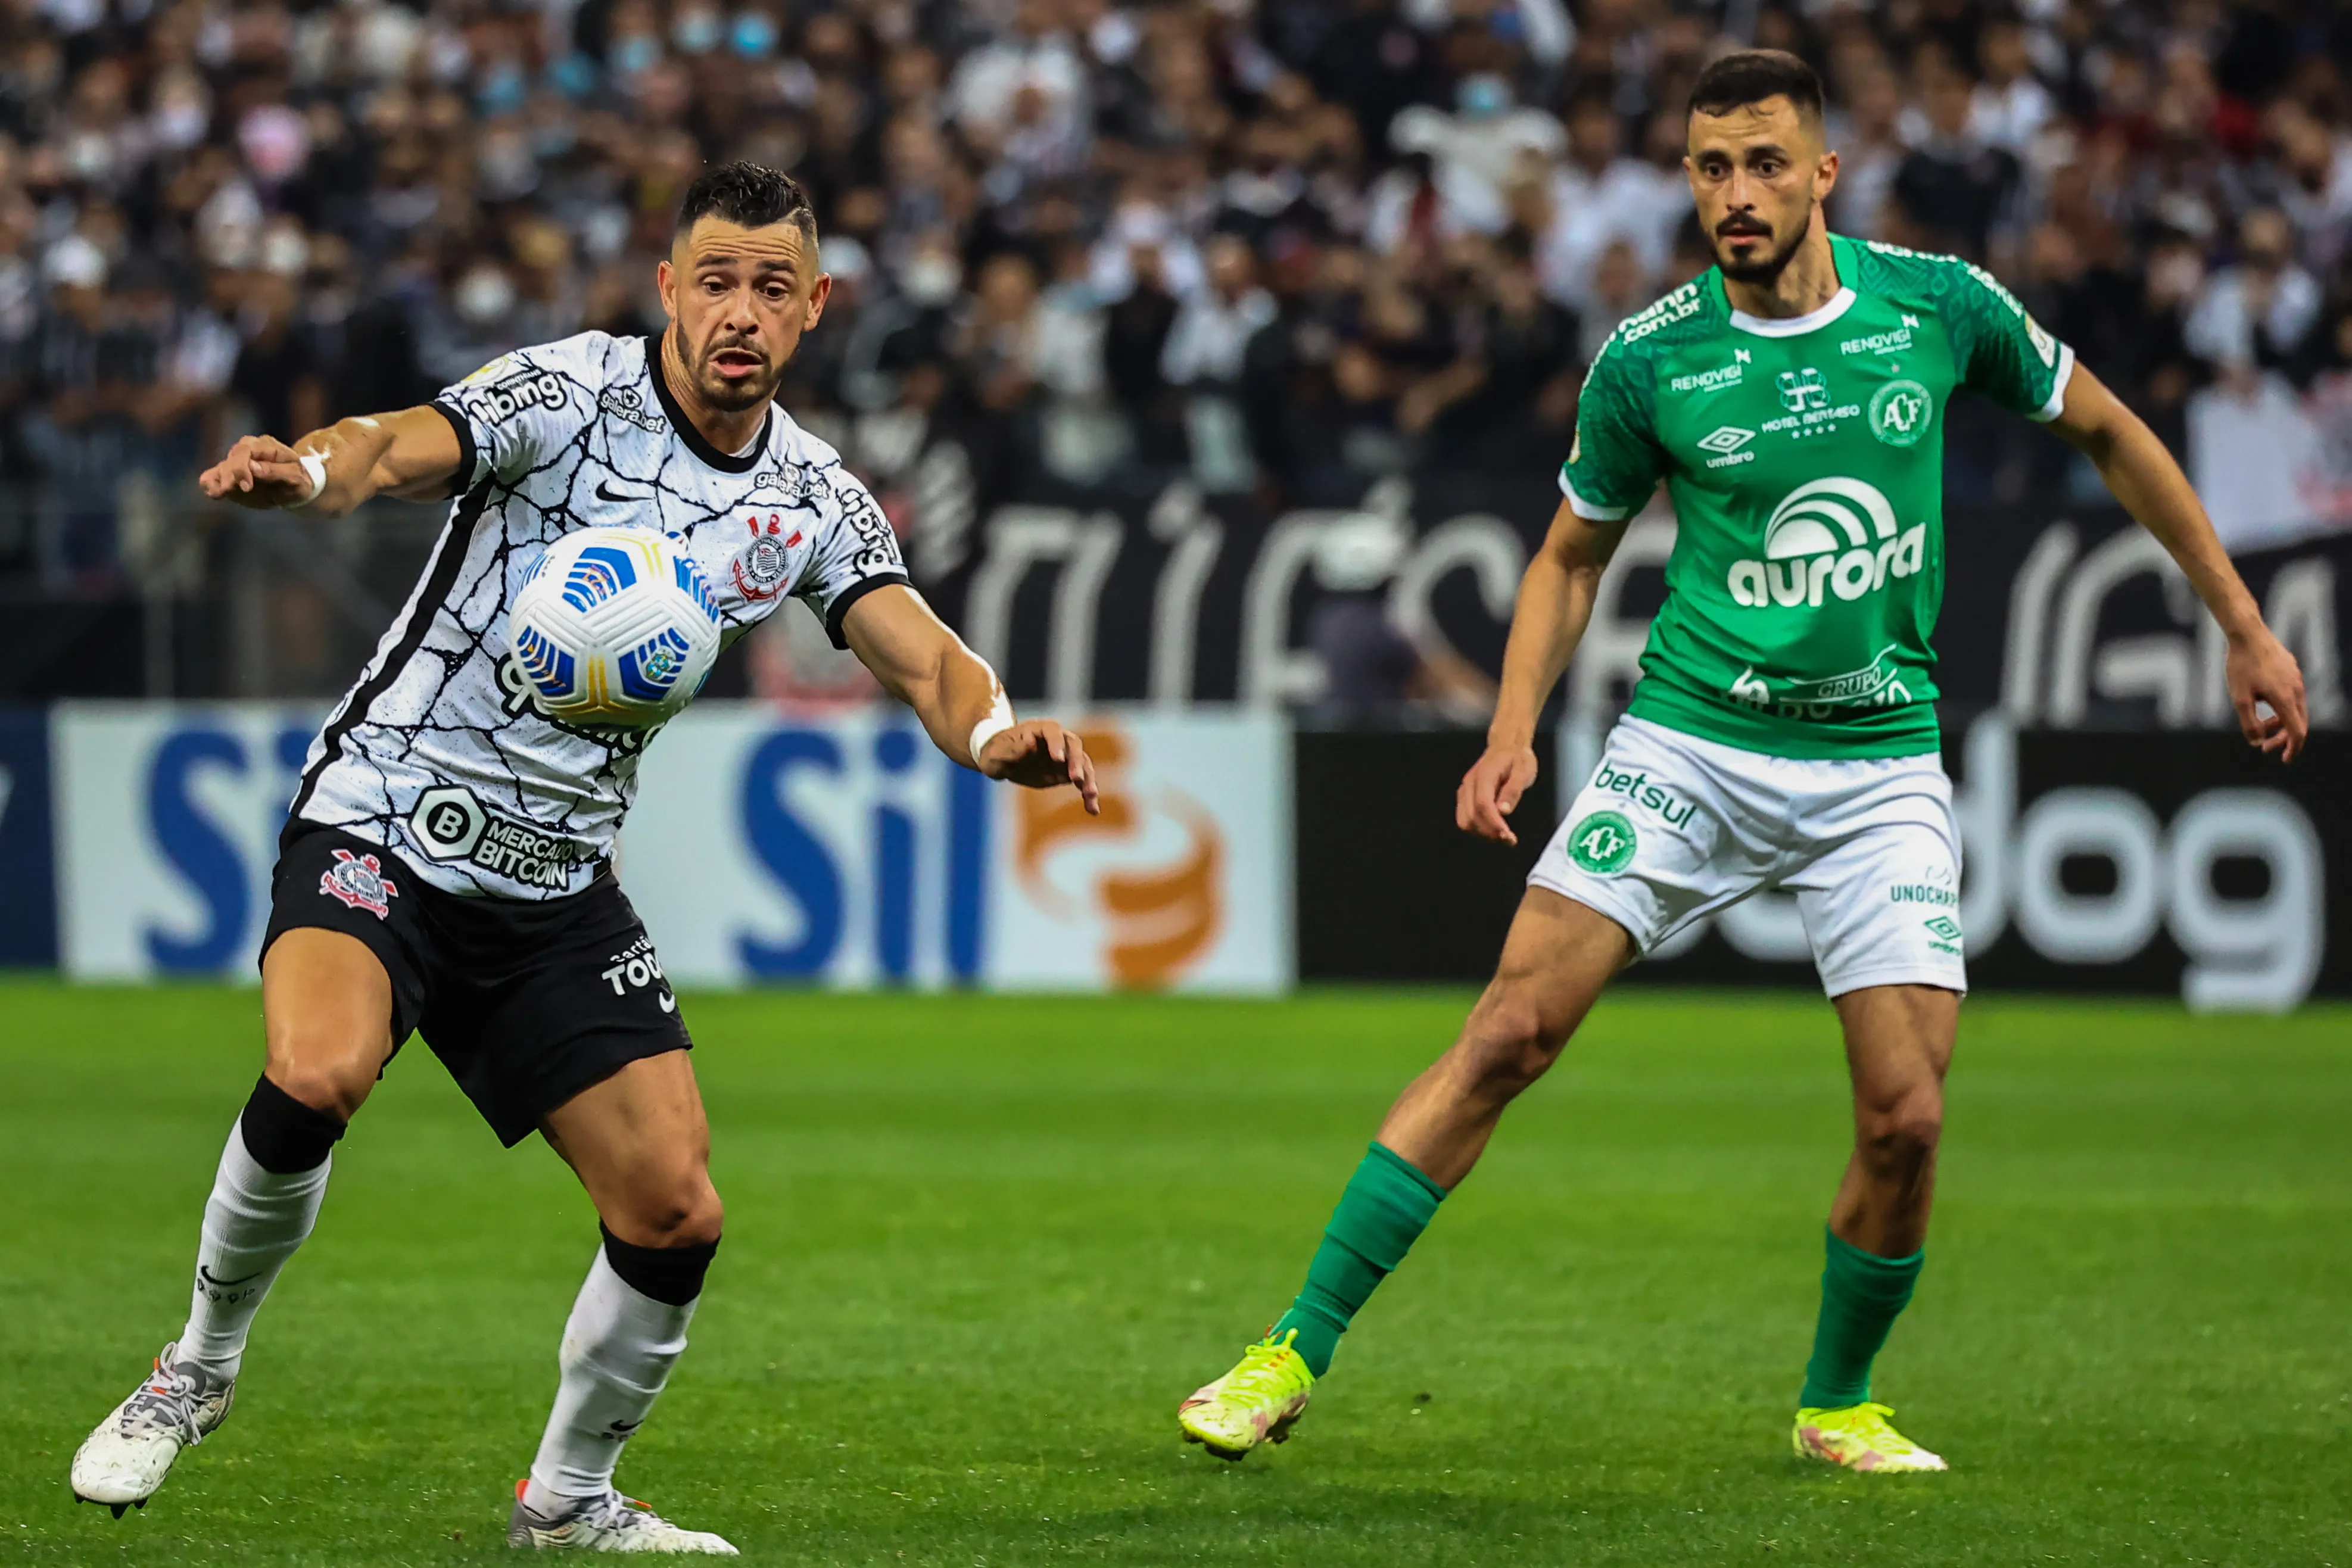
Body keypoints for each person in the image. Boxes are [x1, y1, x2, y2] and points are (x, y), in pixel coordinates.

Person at [1175, 51, 2308, 1476]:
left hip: (1878, 766)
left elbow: (2108, 430)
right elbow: (1568, 556)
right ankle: (1287, 1349)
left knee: (1906, 1115)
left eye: (1767, 164)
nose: (1737, 193)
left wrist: (2245, 626)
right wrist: (1515, 721)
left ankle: (1839, 1400)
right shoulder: (1651, 360)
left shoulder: (1936, 308)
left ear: (1825, 172)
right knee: (1510, 1034)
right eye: (1712, 167)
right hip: (1690, 747)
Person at [68, 162, 1098, 1553]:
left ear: (815, 310)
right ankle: (193, 1368)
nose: (742, 312)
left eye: (773, 288)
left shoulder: (806, 497)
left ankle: (564, 1502)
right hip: (389, 808)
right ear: (669, 286)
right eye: (717, 280)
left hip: (555, 881)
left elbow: (925, 652)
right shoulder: (568, 394)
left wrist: (995, 740)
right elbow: (392, 444)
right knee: (319, 1066)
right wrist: (307, 468)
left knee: (675, 1209)